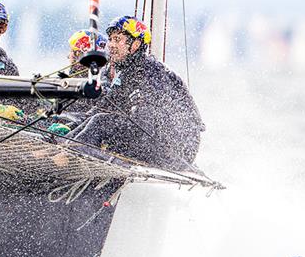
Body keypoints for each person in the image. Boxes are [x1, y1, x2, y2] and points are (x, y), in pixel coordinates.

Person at [66, 15, 204, 169]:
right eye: (110, 39)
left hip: (177, 151)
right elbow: (102, 108)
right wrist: (69, 127)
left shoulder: (150, 73)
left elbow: (144, 124)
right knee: (96, 120)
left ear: (136, 44)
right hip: (154, 139)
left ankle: (64, 158)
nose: (110, 45)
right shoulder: (127, 73)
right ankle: (62, 149)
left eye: (117, 39)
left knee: (100, 123)